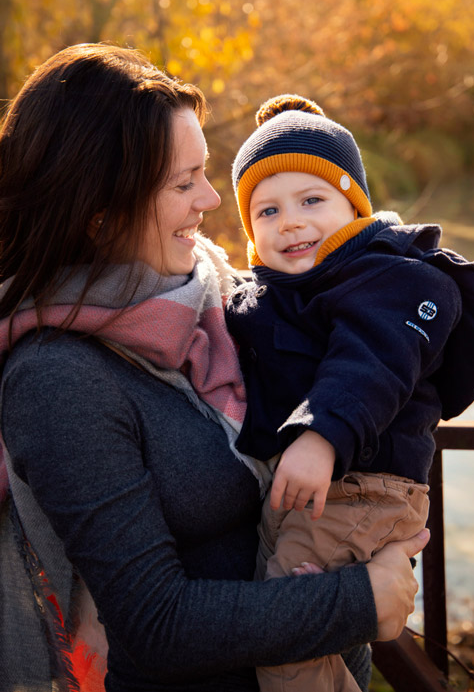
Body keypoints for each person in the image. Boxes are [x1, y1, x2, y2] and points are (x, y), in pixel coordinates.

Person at [0, 44, 427, 692]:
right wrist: (360, 600)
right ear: (99, 209)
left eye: (204, 173)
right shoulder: (57, 378)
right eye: (183, 182)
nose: (209, 198)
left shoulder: (219, 297)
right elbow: (155, 621)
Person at [225, 94, 474, 692]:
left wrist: (322, 436)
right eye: (266, 211)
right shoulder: (284, 291)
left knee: (285, 637)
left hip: (364, 488)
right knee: (305, 628)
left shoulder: (388, 278)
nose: (290, 221)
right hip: (323, 495)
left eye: (312, 200)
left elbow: (371, 363)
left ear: (355, 204)